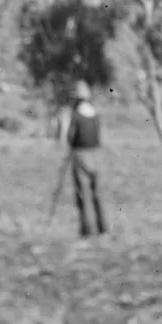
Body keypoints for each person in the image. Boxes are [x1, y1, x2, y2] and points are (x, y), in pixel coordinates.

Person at [65, 79, 106, 238]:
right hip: (96, 155)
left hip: (81, 155)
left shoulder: (76, 115)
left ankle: (87, 230)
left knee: (83, 194)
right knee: (97, 193)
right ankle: (103, 228)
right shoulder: (95, 114)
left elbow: (70, 137)